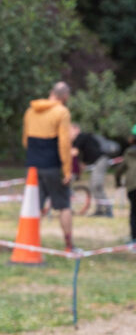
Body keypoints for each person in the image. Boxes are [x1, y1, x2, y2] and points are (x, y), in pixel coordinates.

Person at [22, 81, 75, 251]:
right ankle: (68, 245)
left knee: (33, 207)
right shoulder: (62, 112)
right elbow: (64, 143)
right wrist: (67, 170)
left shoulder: (30, 111)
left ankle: (29, 244)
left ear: (51, 92)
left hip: (32, 166)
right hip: (52, 165)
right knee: (64, 205)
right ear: (65, 96)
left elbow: (25, 140)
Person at [70, 125, 114, 217]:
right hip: (97, 162)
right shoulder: (82, 140)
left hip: (101, 160)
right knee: (94, 186)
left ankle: (107, 209)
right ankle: (100, 209)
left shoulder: (80, 137)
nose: (68, 133)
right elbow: (83, 162)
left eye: (69, 130)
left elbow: (73, 152)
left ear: (76, 129)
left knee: (96, 185)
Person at [115, 125, 136, 242]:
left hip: (133, 187)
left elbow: (119, 170)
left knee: (134, 213)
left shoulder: (129, 153)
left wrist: (118, 182)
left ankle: (134, 239)